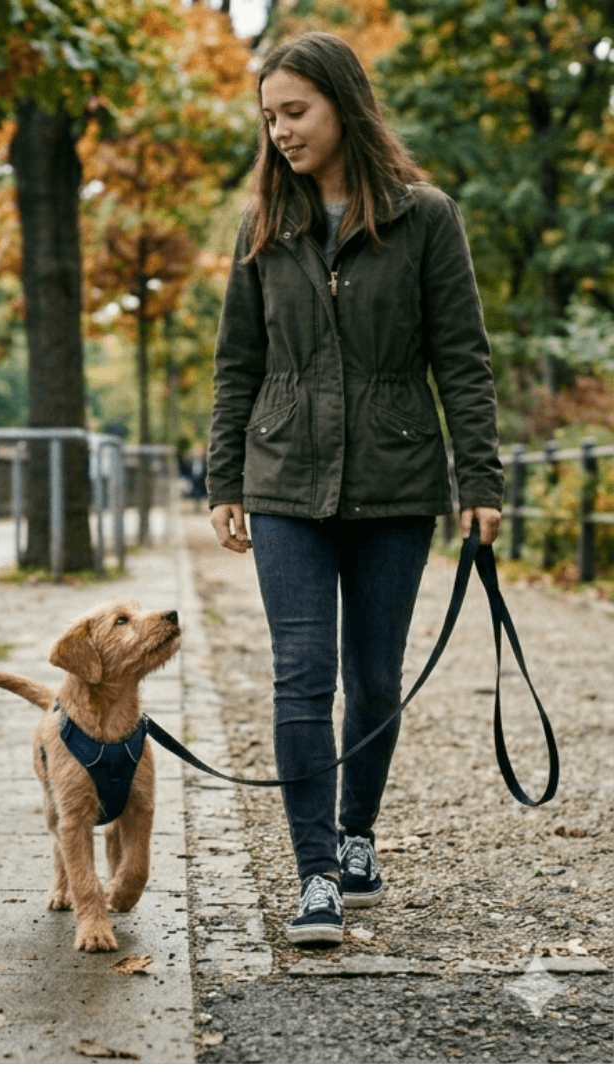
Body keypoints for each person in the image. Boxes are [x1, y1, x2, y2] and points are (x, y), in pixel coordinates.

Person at [206, 32, 502, 947]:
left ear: (344, 105)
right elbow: (236, 366)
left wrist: (479, 477)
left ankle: (358, 832)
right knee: (302, 674)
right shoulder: (263, 228)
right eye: (270, 118)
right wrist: (226, 476)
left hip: (395, 481)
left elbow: (462, 359)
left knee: (373, 678)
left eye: (295, 112)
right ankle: (316, 873)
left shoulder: (426, 218)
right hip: (286, 478)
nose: (281, 132)